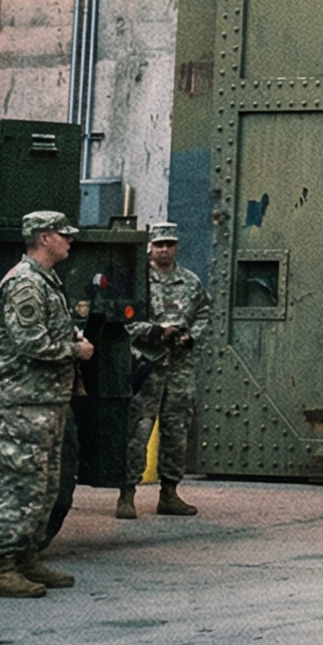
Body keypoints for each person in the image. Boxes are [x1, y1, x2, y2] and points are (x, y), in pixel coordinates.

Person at [0, 210, 93, 597]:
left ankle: (27, 558)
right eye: (63, 235)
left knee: (44, 484)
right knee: (20, 483)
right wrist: (76, 349)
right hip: (26, 401)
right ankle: (3, 569)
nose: (70, 240)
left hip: (45, 400)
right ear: (44, 238)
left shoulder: (46, 281)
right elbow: (31, 342)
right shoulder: (25, 284)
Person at [120, 221, 210, 520]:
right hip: (148, 366)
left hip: (179, 368)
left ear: (176, 246)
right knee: (138, 430)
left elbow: (204, 313)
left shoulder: (190, 282)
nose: (163, 249)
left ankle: (169, 493)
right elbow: (126, 320)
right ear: (150, 247)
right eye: (158, 244)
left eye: (169, 244)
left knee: (176, 431)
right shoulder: (137, 280)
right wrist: (157, 332)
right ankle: (127, 493)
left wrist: (190, 336)